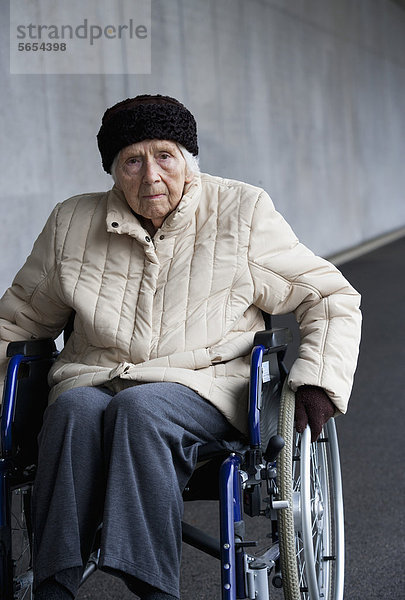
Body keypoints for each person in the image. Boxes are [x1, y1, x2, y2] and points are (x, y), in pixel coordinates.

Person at [0, 94, 361, 600]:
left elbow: (328, 295)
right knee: (73, 409)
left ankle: (153, 588)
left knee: (141, 407)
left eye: (164, 156)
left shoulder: (241, 212)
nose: (150, 176)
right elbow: (16, 321)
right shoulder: (71, 224)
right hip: (93, 376)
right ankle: (54, 585)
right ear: (113, 170)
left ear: (188, 159)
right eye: (132, 160)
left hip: (205, 383)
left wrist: (317, 381)